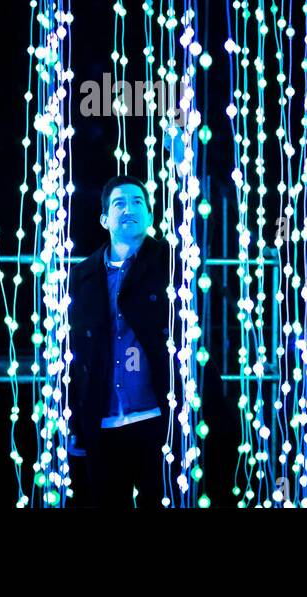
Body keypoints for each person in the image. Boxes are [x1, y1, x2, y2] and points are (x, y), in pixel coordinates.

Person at [65, 175, 230, 508]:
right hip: (104, 419)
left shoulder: (171, 263)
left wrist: (182, 157)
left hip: (159, 420)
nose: (129, 209)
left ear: (151, 216)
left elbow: (191, 219)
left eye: (138, 202)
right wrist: (76, 424)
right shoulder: (83, 275)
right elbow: (76, 354)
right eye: (119, 203)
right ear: (104, 218)